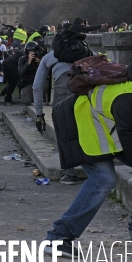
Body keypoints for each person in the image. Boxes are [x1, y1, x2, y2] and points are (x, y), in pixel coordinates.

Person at [45, 66, 132, 255]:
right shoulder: (129, 101)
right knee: (104, 178)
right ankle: (58, 237)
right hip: (82, 127)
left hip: (109, 129)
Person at [32, 49, 79, 184]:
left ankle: (69, 173)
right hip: (85, 85)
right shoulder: (86, 51)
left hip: (63, 87)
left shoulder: (50, 56)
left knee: (63, 130)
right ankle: (95, 168)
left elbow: (37, 86)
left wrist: (39, 113)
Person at [17, 41, 42, 106]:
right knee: (26, 101)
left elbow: (46, 72)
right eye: (30, 52)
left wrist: (40, 63)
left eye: (33, 52)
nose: (32, 54)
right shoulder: (22, 59)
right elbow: (21, 72)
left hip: (39, 81)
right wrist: (28, 62)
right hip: (28, 82)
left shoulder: (41, 58)